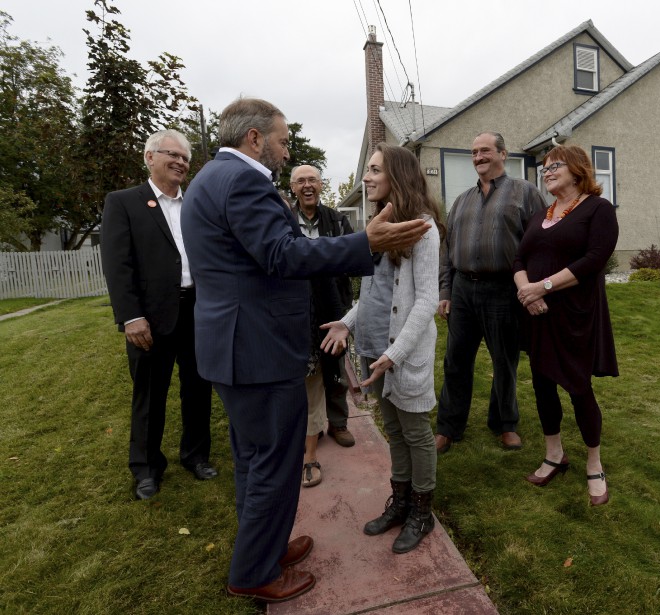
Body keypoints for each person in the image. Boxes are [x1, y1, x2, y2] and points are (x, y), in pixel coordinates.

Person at [180, 98, 429, 604]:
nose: (285, 147)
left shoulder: (209, 178)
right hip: (257, 350)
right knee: (273, 460)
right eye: (281, 139)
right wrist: (366, 243)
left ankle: (265, 548)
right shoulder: (243, 180)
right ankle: (253, 573)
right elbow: (282, 254)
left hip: (232, 346)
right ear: (255, 139)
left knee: (253, 458)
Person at [321, 143, 443, 554]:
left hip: (401, 353)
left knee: (415, 431)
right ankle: (402, 502)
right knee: (392, 430)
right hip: (375, 347)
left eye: (374, 170)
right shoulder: (378, 226)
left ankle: (422, 511)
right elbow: (371, 295)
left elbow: (426, 300)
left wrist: (397, 353)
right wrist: (346, 321)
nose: (366, 178)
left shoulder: (423, 228)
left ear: (398, 175)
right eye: (367, 170)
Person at [100, 129, 217, 501]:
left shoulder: (196, 202)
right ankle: (147, 469)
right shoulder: (124, 203)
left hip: (197, 311)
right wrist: (131, 316)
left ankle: (196, 456)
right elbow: (117, 265)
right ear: (149, 157)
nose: (182, 162)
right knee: (149, 395)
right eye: (174, 155)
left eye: (185, 157)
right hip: (150, 319)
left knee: (198, 389)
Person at [512, 144, 619, 507]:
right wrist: (526, 291)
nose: (547, 171)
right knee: (542, 384)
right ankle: (554, 453)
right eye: (544, 167)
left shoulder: (598, 210)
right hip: (537, 314)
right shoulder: (543, 213)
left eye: (555, 165)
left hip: (575, 315)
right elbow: (519, 257)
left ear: (577, 169)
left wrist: (542, 287)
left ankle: (594, 463)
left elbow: (594, 259)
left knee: (577, 387)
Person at [435, 131, 544, 454]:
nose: (478, 157)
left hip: (504, 290)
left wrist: (533, 288)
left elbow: (539, 245)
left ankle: (505, 424)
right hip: (463, 290)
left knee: (504, 361)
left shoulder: (525, 193)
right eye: (474, 152)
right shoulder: (461, 200)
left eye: (484, 151)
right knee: (456, 361)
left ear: (503, 154)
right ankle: (449, 427)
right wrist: (446, 290)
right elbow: (447, 250)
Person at [290, 165, 356, 448]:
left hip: (332, 302)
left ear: (321, 185)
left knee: (335, 364)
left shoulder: (337, 221)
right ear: (293, 187)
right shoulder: (284, 219)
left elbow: (352, 259)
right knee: (306, 368)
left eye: (312, 180)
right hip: (297, 305)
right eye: (301, 181)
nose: (307, 185)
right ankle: (310, 426)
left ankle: (338, 423)